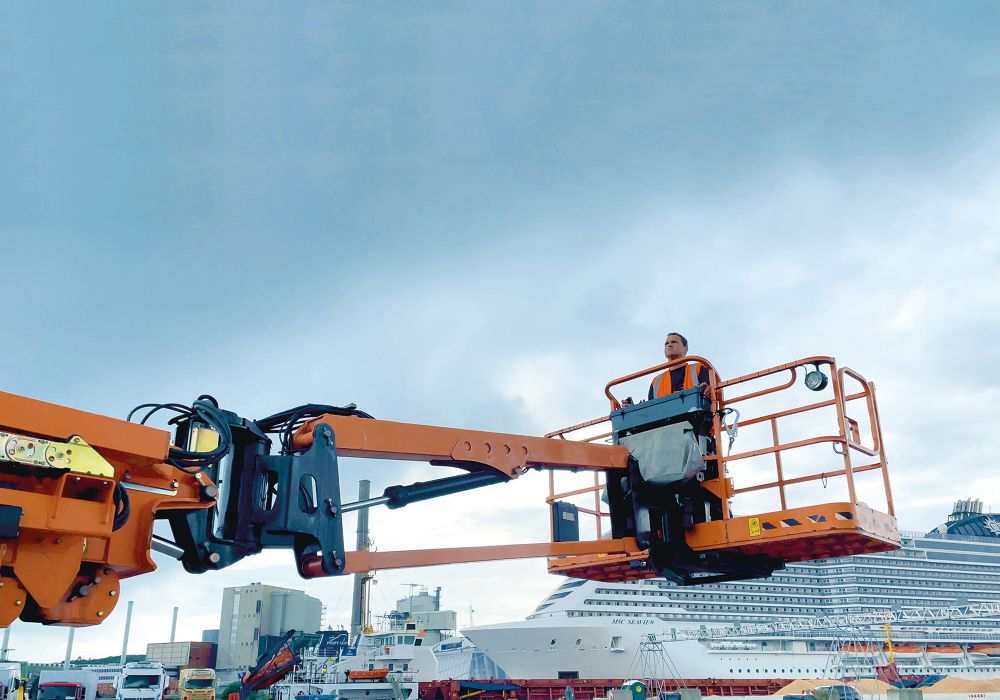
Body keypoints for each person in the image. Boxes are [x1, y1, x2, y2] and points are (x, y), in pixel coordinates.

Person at [648, 332, 710, 400]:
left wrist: (709, 389)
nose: (669, 344)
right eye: (666, 343)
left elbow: (712, 390)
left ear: (685, 349)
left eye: (674, 342)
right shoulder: (656, 381)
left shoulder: (699, 368)